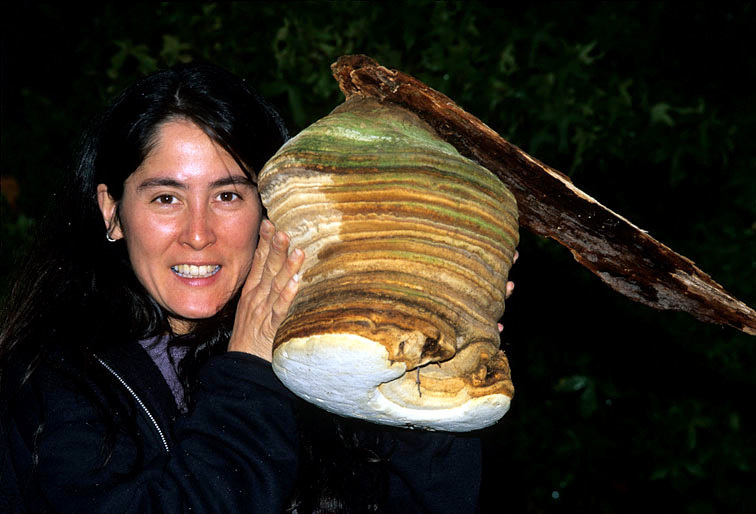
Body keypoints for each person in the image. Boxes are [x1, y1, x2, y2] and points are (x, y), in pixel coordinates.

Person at [0, 63, 514, 513]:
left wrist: (427, 381)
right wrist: (248, 373)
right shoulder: (51, 380)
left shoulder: (320, 353)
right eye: (165, 198)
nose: (198, 234)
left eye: (227, 195)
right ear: (112, 212)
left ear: (273, 207)